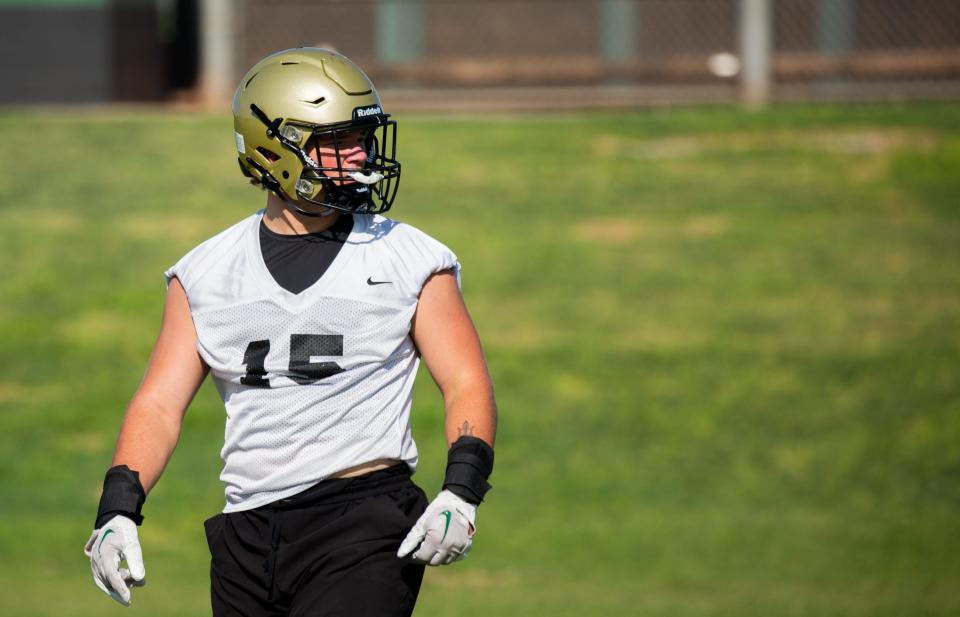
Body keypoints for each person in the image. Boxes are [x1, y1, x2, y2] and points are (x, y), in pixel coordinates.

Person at [83, 47, 498, 617]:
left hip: (363, 518)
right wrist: (117, 509)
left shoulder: (409, 256)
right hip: (246, 535)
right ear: (273, 149)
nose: (359, 155)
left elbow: (465, 379)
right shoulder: (203, 272)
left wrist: (463, 488)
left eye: (362, 137)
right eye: (337, 140)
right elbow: (158, 404)